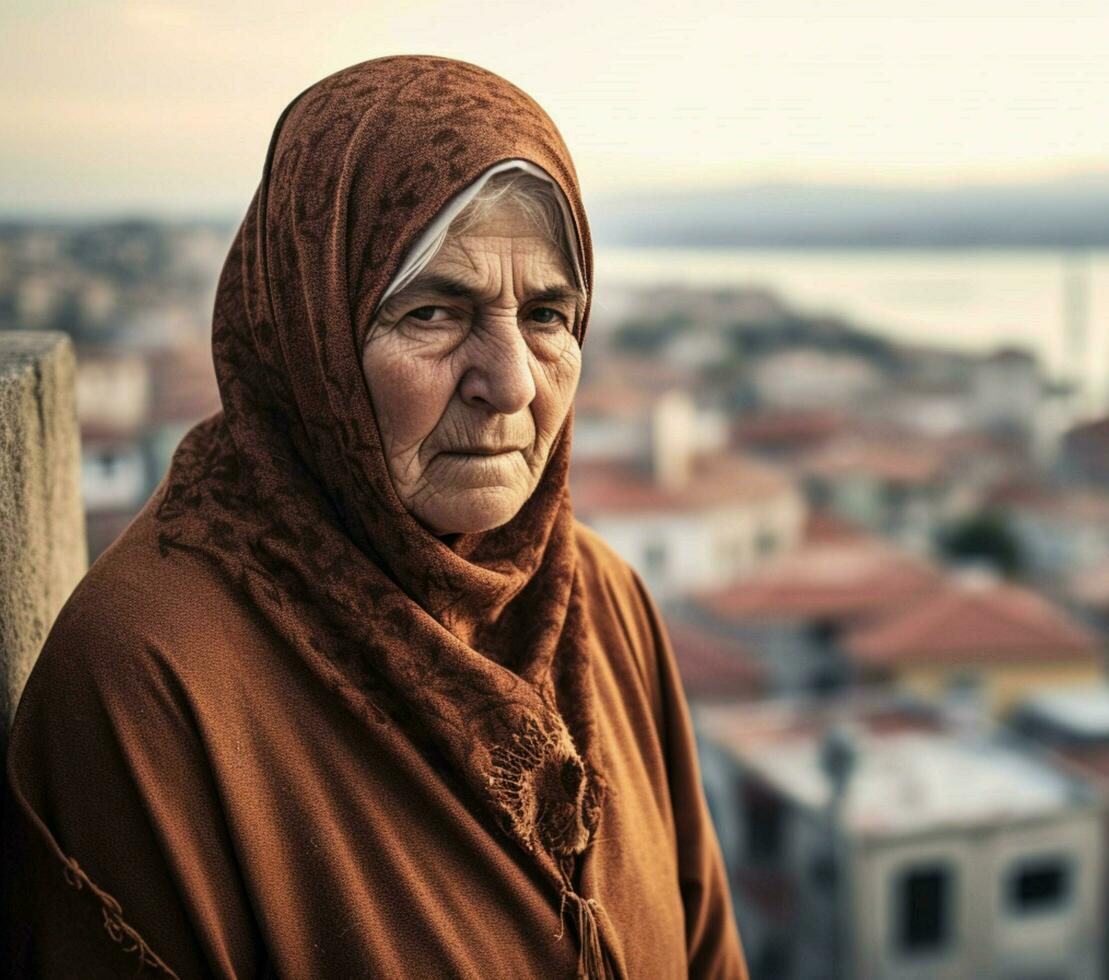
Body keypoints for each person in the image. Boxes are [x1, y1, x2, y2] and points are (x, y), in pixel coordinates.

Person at [3, 55, 749, 980]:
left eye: (549, 314)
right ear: (307, 331)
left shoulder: (601, 603)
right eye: (434, 312)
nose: (511, 381)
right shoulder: (149, 684)